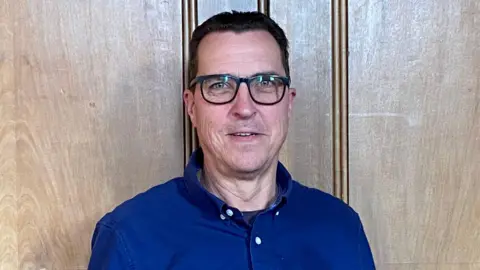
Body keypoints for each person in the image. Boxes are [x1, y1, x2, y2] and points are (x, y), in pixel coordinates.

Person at [88, 11, 376, 269]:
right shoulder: (129, 237)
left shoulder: (341, 228)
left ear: (288, 104)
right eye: (219, 85)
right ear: (191, 107)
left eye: (265, 83)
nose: (244, 108)